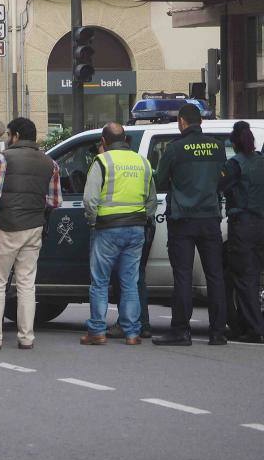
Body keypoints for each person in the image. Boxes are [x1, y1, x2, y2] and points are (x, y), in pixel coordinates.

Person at [0, 118, 62, 351]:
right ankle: (26, 337)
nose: (7, 138)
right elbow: (55, 200)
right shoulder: (50, 163)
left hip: (7, 226)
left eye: (9, 134)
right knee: (27, 284)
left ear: (17, 136)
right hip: (34, 227)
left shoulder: (5, 158)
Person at [152, 104, 227, 346]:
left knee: (183, 276)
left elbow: (161, 181)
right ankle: (218, 333)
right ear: (200, 122)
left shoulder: (175, 149)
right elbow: (221, 180)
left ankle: (181, 331)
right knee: (215, 276)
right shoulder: (217, 147)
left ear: (182, 122)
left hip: (183, 221)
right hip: (210, 219)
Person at [80, 123, 157, 346]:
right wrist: (143, 219)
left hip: (107, 229)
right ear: (125, 139)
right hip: (136, 229)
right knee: (130, 283)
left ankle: (97, 331)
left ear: (103, 142)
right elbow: (151, 201)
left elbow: (89, 199)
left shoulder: (102, 161)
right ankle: (132, 333)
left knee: (100, 282)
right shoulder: (142, 162)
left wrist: (93, 222)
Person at [220, 121, 264, 343]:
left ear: (234, 142)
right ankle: (243, 325)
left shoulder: (234, 164)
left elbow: (221, 186)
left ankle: (253, 328)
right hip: (260, 224)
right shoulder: (261, 161)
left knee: (243, 278)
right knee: (252, 278)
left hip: (243, 226)